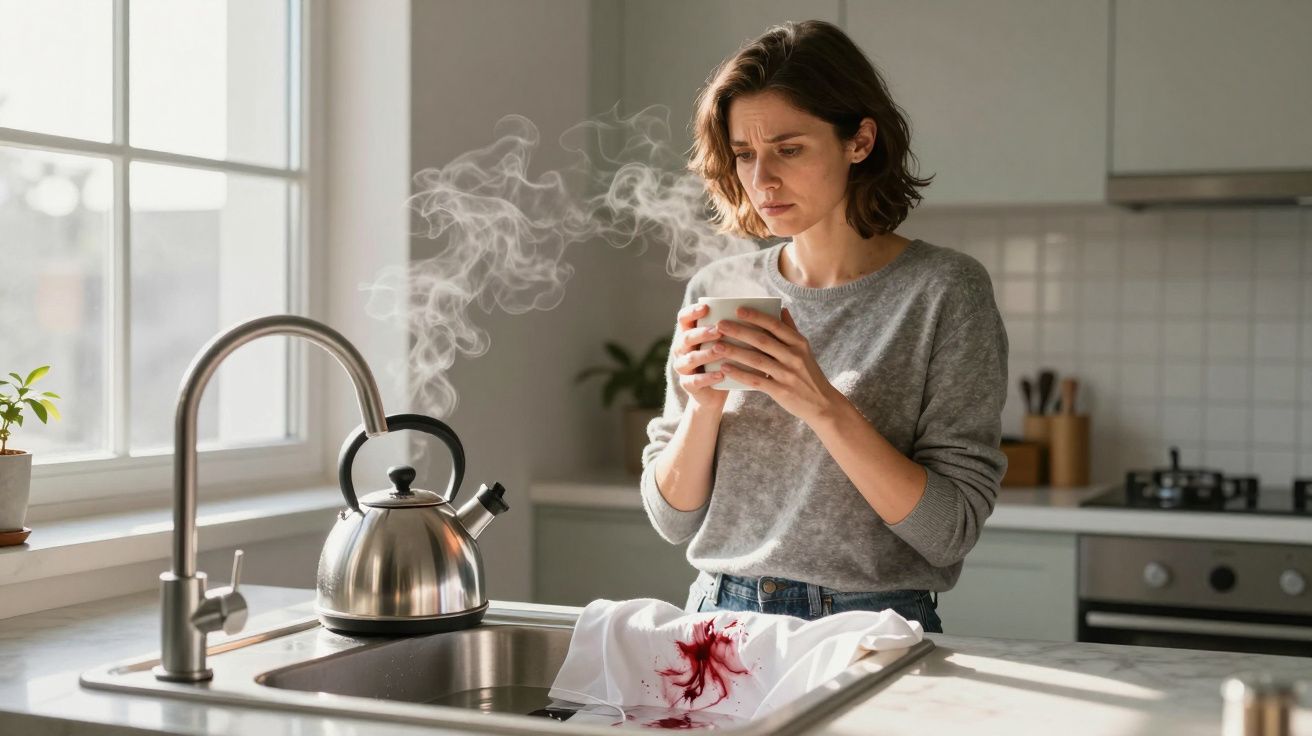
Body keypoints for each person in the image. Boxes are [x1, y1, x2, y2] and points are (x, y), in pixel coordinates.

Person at [638, 20, 1008, 634]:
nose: (762, 181)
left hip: (870, 629)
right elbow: (672, 520)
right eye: (745, 154)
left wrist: (824, 405)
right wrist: (702, 409)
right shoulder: (717, 291)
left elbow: (951, 530)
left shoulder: (944, 291)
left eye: (789, 148)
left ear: (859, 141)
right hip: (718, 620)